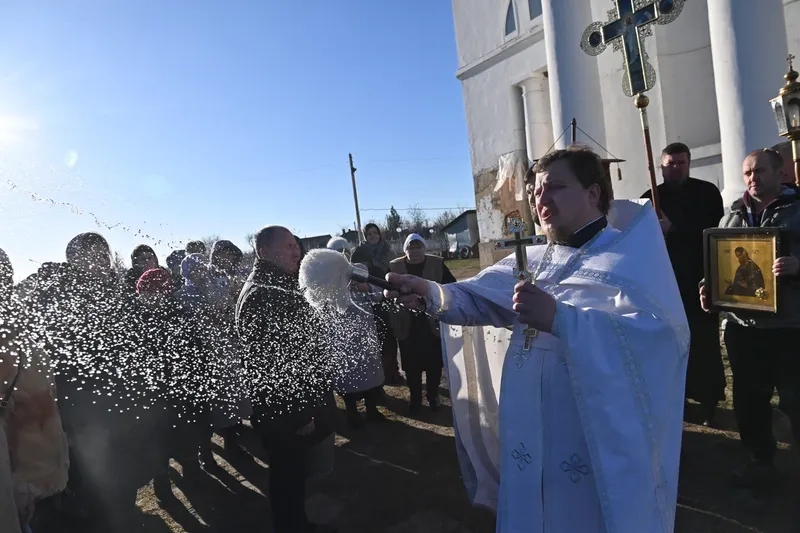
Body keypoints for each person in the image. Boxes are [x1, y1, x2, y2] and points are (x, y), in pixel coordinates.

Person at [385, 147, 688, 533]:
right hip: (527, 423)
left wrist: (562, 320)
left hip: (585, 429)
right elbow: (478, 299)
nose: (541, 200)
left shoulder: (628, 260)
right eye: (536, 192)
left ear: (594, 194)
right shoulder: (536, 258)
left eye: (555, 188)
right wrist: (427, 289)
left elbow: (660, 339)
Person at [700, 148, 800, 490]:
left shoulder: (797, 212)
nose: (752, 178)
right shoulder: (733, 219)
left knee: (795, 399)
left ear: (780, 173)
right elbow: (719, 265)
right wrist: (709, 291)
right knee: (749, 400)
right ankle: (760, 462)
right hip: (744, 328)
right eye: (747, 173)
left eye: (759, 171)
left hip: (790, 326)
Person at [236, 225, 337, 533]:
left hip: (287, 409)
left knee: (290, 476)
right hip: (286, 413)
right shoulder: (264, 295)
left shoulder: (278, 285)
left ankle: (296, 523)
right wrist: (300, 413)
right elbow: (276, 366)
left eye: (297, 245)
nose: (297, 251)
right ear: (264, 252)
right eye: (289, 246)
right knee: (288, 476)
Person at [641, 142, 725, 426]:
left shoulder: (706, 193)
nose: (675, 168)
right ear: (660, 167)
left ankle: (710, 399)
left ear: (689, 164)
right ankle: (680, 397)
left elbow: (713, 231)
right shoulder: (651, 197)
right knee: (672, 341)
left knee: (703, 340)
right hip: (665, 281)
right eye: (670, 164)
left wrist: (674, 229)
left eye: (681, 163)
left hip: (699, 278)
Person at [389, 234, 455, 414]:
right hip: (408, 323)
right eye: (411, 247)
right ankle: (415, 397)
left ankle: (433, 395)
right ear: (405, 250)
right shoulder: (395, 266)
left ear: (424, 248)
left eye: (419, 247)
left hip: (431, 321)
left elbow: (451, 286)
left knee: (434, 363)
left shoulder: (436, 263)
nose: (415, 251)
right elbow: (386, 292)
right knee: (411, 365)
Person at [325, 238, 386, 429]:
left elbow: (378, 295)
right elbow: (321, 304)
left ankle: (371, 408)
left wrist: (367, 288)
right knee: (348, 375)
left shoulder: (359, 269)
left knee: (370, 372)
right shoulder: (325, 276)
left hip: (365, 331)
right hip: (342, 336)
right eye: (338, 252)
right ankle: (352, 412)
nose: (342, 255)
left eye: (345, 251)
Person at [353, 224, 401, 385]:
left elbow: (396, 270)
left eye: (375, 233)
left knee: (391, 335)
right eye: (369, 233)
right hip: (369, 299)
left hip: (389, 295)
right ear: (365, 235)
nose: (373, 236)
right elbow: (355, 275)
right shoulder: (359, 252)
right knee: (377, 338)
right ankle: (381, 375)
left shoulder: (388, 251)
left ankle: (393, 371)